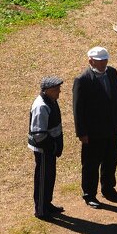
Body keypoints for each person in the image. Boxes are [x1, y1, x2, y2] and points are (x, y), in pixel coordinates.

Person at [72, 46, 117, 207]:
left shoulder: (112, 73)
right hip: (93, 132)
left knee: (111, 160)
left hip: (112, 128)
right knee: (91, 164)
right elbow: (78, 109)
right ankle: (89, 194)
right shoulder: (82, 80)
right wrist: (81, 133)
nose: (103, 63)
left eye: (105, 60)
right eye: (100, 61)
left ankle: (108, 189)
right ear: (91, 61)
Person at [28, 76, 65, 220]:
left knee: (50, 178)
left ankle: (47, 204)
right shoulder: (41, 106)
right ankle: (41, 211)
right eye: (56, 89)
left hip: (49, 149)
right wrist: (53, 146)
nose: (59, 92)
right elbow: (38, 134)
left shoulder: (50, 100)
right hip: (44, 150)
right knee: (43, 179)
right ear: (47, 90)